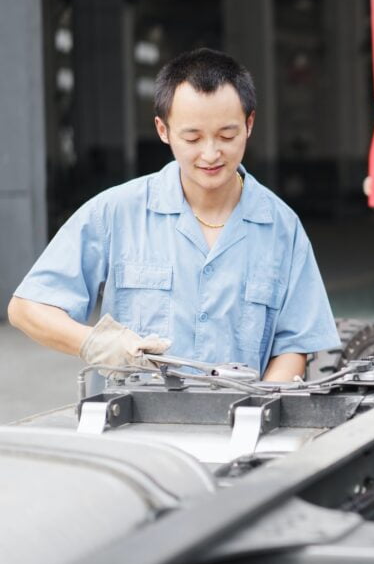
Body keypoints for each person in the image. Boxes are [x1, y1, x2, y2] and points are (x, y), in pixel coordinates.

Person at [7, 48, 340, 381]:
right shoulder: (115, 213)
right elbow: (27, 308)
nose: (211, 154)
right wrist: (96, 343)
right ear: (163, 130)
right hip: (131, 427)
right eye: (192, 137)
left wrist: (257, 411)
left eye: (227, 136)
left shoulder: (282, 228)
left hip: (240, 426)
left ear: (249, 124)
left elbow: (294, 346)